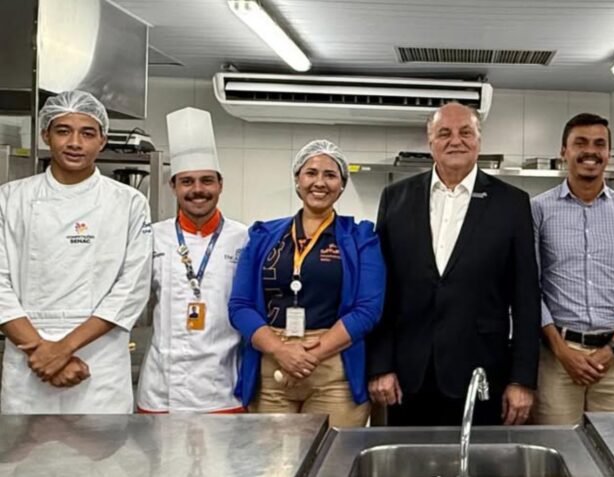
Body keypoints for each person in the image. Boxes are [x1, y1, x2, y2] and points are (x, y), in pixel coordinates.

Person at [367, 103, 540, 426]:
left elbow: (526, 298)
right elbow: (382, 291)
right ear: (430, 141)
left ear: (479, 140)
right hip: (408, 377)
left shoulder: (512, 204)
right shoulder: (395, 198)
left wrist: (522, 379)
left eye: (466, 132)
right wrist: (380, 365)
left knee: (477, 457)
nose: (455, 141)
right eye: (444, 133)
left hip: (482, 373)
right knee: (407, 456)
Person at [0, 90, 152, 413]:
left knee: (100, 447)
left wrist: (61, 350)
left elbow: (132, 288)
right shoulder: (10, 199)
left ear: (102, 140)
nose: (74, 143)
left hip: (99, 362)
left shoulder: (128, 203)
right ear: (46, 135)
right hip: (29, 362)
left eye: (87, 133)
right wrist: (40, 352)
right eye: (63, 131)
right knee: (27, 448)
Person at [229, 139, 385, 427]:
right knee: (272, 456)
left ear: (342, 185)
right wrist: (281, 351)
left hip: (335, 371)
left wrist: (309, 356)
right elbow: (240, 305)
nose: (320, 182)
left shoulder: (361, 238)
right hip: (272, 367)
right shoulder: (263, 236)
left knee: (332, 453)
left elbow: (368, 309)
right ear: (297, 180)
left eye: (330, 175)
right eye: (311, 173)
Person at [530, 113, 614, 425]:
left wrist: (611, 350)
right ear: (564, 152)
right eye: (580, 143)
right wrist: (562, 352)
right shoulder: (538, 210)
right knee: (558, 446)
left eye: (599, 144)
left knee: (613, 448)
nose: (591, 151)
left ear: (608, 153)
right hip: (557, 358)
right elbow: (529, 289)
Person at [136, 107, 249, 413]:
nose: (198, 190)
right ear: (173, 186)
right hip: (162, 390)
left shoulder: (244, 239)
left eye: (206, 181)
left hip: (223, 388)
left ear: (220, 184)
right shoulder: (151, 236)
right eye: (187, 182)